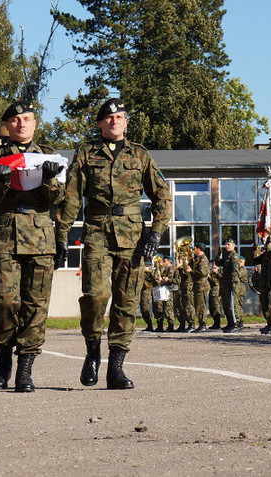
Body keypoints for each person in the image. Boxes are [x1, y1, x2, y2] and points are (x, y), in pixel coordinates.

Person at [56, 98, 171, 389]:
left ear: (126, 121)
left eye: (120, 117)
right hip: (97, 231)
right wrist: (61, 235)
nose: (114, 121)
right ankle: (93, 351)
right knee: (95, 296)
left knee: (127, 301)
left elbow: (162, 195)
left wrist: (157, 231)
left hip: (132, 236)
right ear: (100, 123)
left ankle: (116, 368)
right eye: (109, 118)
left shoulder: (140, 155)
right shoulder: (85, 153)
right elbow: (71, 197)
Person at [0, 100, 66, 392]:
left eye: (27, 119)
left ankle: (25, 370)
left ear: (34, 123)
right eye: (15, 120)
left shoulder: (49, 156)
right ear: (7, 125)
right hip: (6, 236)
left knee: (36, 306)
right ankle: (4, 360)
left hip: (41, 238)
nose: (21, 124)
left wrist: (49, 178)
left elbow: (55, 199)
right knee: (5, 301)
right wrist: (1, 181)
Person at [189, 243, 210, 332]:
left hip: (202, 285)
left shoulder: (203, 259)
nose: (194, 250)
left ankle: (203, 324)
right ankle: (201, 323)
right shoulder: (198, 259)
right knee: (198, 305)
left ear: (198, 249)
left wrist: (192, 271)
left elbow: (202, 272)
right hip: (198, 285)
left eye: (195, 249)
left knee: (201, 306)